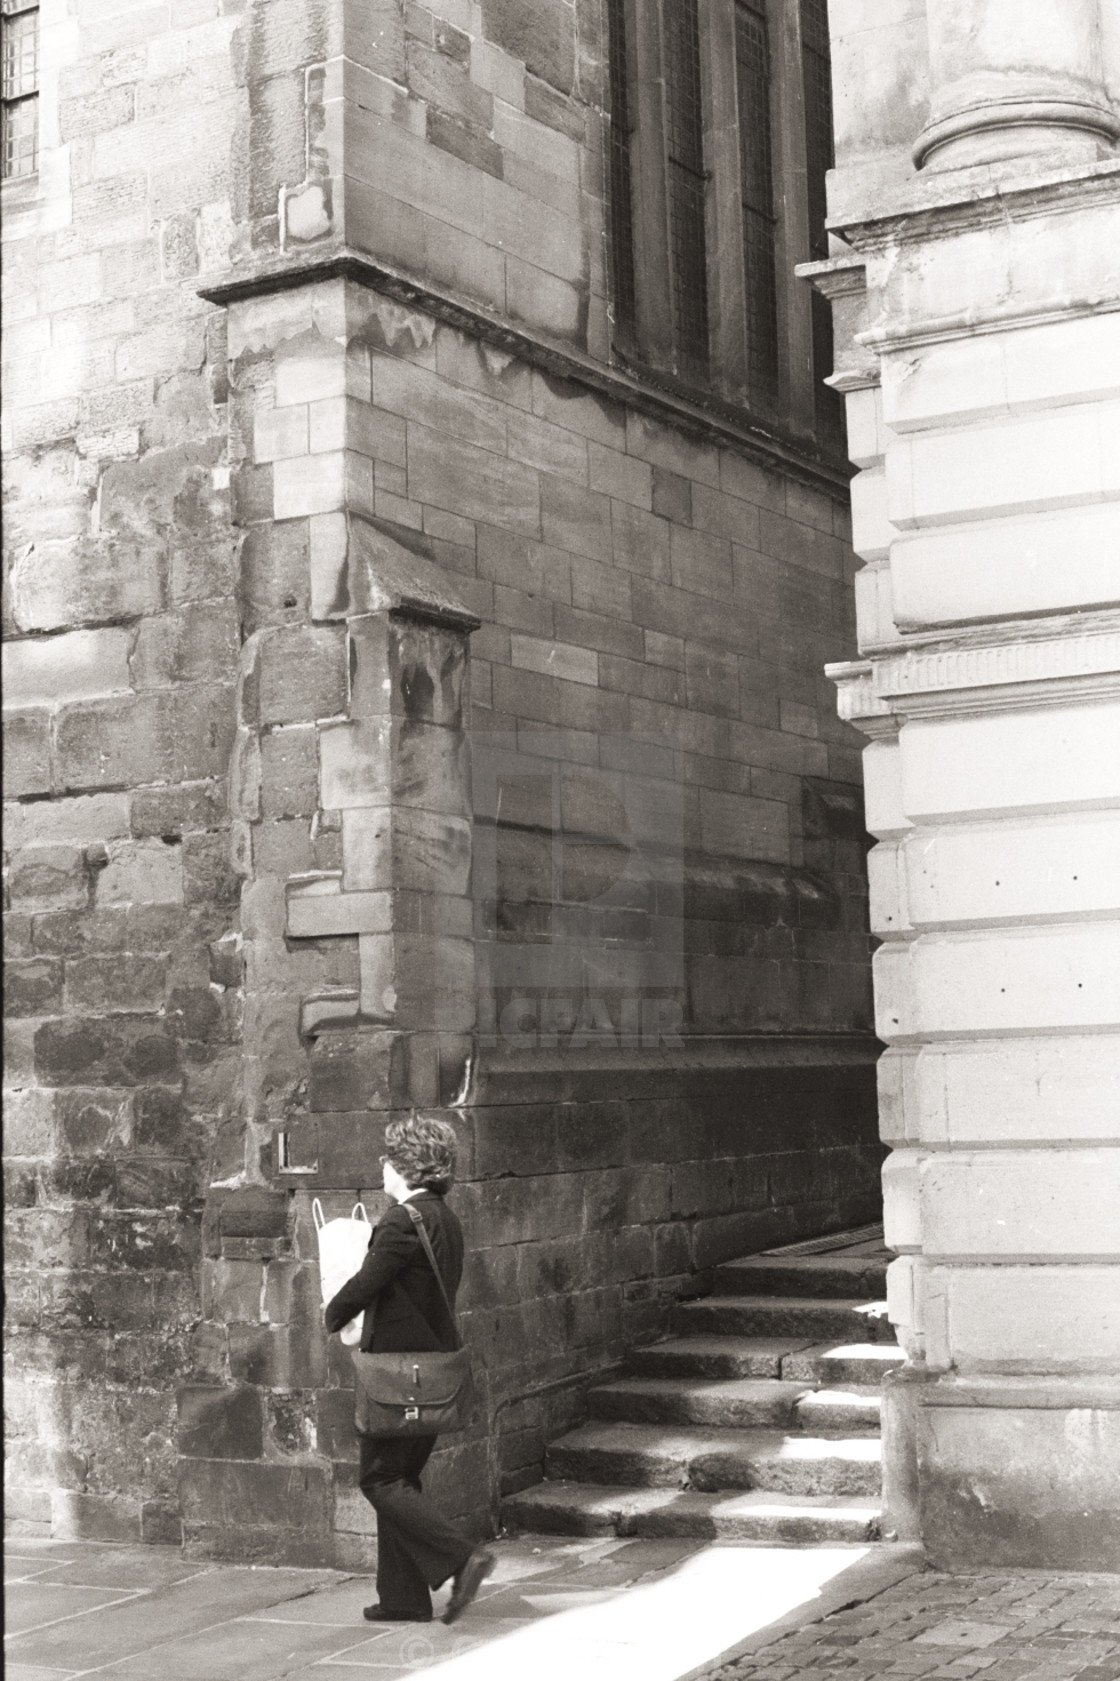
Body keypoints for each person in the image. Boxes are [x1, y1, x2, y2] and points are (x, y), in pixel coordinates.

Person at [324, 1113, 494, 1625]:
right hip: (433, 1367)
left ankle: (462, 1557)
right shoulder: (444, 1216)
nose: (381, 1165)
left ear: (404, 1166)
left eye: (388, 1157)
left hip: (401, 1374)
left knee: (380, 1480)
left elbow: (365, 1283)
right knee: (400, 1477)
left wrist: (332, 1314)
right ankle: (402, 1596)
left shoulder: (402, 1220)